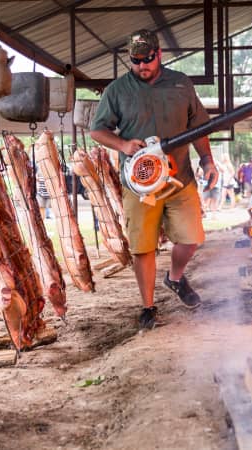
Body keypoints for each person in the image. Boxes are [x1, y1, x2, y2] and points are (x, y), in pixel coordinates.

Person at [89, 29, 218, 330]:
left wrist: (208, 160)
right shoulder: (117, 90)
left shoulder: (180, 83)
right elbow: (97, 130)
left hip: (180, 178)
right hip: (140, 182)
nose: (142, 66)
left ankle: (174, 278)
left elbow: (198, 126)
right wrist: (122, 145)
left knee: (192, 238)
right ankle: (147, 307)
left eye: (147, 59)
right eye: (136, 61)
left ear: (159, 54)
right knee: (143, 247)